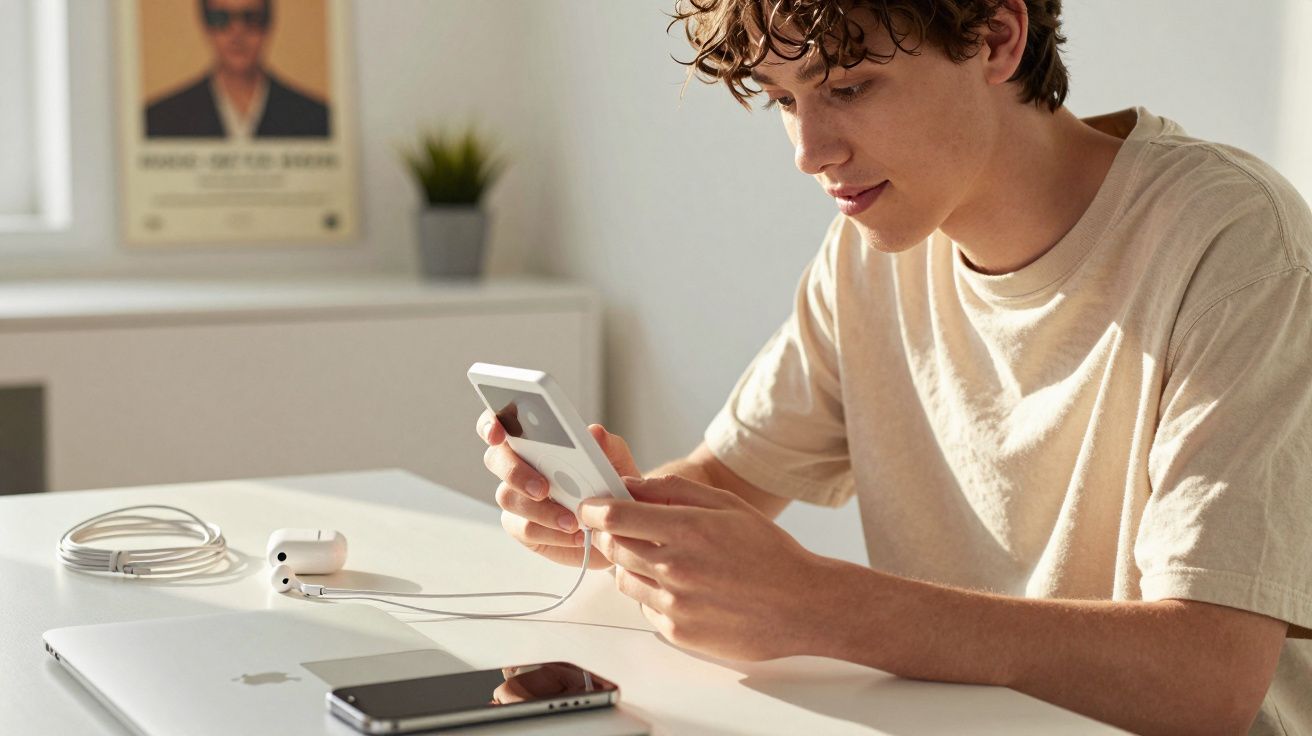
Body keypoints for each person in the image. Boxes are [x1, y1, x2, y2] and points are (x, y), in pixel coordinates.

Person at [476, 2, 1311, 733]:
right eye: (782, 99)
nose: (808, 150)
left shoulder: (1235, 243)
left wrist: (823, 607)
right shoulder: (873, 248)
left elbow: (1210, 680)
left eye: (846, 88)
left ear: (995, 37)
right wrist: (605, 514)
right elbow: (727, 481)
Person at [144, 0, 329, 139]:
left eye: (251, 18)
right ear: (206, 25)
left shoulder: (318, 119)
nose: (237, 32)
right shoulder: (160, 120)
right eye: (221, 19)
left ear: (269, 23)